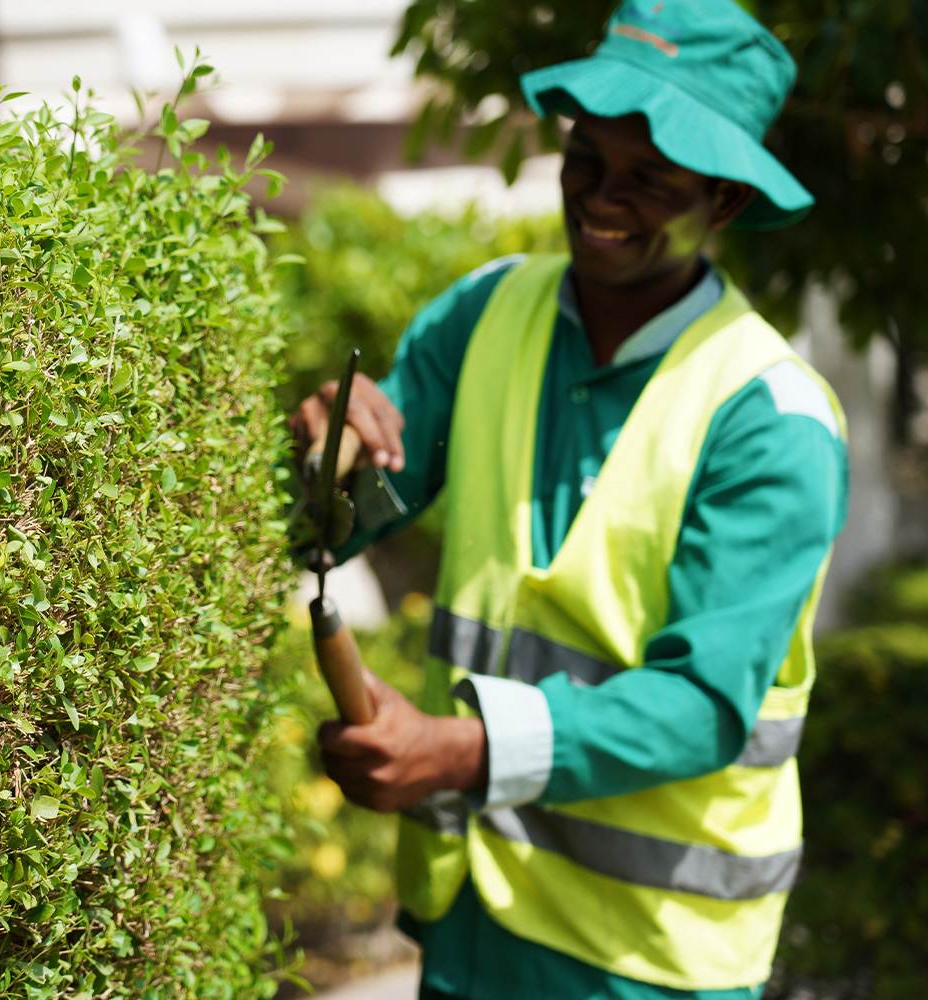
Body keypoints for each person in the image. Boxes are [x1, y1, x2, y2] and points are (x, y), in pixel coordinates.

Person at [290, 1, 849, 997]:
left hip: (648, 958)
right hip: (467, 922)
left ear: (721, 201)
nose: (599, 197)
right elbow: (338, 523)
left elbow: (702, 705)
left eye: (648, 180)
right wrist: (331, 457)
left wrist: (455, 751)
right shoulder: (487, 311)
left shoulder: (770, 415)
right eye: (584, 157)